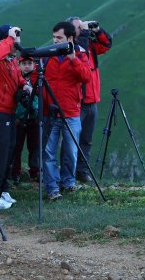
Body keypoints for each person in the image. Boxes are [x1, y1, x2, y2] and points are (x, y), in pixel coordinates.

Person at [0, 24, 30, 209]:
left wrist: (24, 85)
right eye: (13, 39)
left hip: (8, 111)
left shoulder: (10, 60)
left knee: (8, 153)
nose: (16, 43)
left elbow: (18, 77)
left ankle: (2, 191)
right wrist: (8, 39)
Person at [41, 21, 92, 201]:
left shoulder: (81, 54)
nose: (55, 41)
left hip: (71, 111)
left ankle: (68, 182)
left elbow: (86, 77)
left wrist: (72, 59)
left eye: (59, 38)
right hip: (50, 112)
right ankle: (52, 187)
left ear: (70, 38)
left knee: (70, 150)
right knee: (48, 151)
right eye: (54, 37)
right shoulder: (47, 55)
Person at [66, 17, 113, 182]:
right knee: (72, 140)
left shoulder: (90, 47)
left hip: (92, 101)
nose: (82, 28)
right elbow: (81, 52)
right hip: (78, 102)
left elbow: (107, 44)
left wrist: (97, 30)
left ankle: (82, 171)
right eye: (79, 27)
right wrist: (85, 33)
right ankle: (68, 174)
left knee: (87, 139)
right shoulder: (72, 49)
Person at [11, 56, 40, 184]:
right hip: (19, 119)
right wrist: (15, 115)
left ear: (34, 65)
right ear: (19, 65)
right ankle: (15, 172)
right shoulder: (16, 80)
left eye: (30, 63)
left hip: (34, 118)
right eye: (24, 63)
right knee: (17, 147)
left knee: (34, 146)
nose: (27, 66)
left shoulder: (37, 80)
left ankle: (35, 171)